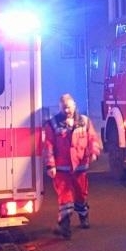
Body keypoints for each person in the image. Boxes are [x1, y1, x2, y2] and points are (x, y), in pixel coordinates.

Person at [43, 93, 102, 239]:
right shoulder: (52, 124)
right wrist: (50, 165)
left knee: (81, 194)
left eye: (69, 107)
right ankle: (65, 226)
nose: (67, 110)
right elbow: (48, 146)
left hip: (80, 167)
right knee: (65, 198)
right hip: (61, 168)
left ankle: (83, 216)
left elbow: (92, 139)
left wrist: (94, 152)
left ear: (74, 106)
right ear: (60, 108)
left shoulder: (84, 121)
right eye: (64, 108)